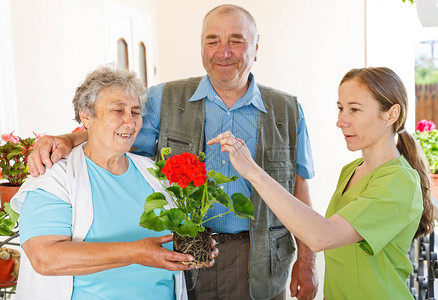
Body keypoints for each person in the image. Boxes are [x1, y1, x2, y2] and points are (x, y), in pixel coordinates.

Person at [28, 5, 318, 300]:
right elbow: (116, 130)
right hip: (184, 254)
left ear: (256, 47)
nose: (224, 52)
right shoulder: (162, 99)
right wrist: (66, 138)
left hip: (260, 261)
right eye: (213, 40)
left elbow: (298, 190)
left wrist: (307, 261)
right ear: (201, 46)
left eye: (236, 40)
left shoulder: (288, 110)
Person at [209, 67, 435, 299]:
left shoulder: (398, 181)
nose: (341, 121)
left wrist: (254, 173)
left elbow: (322, 236)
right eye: (340, 108)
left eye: (354, 109)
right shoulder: (352, 171)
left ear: (391, 114)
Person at [10, 66, 218, 300]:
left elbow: (166, 243)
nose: (130, 122)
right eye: (118, 110)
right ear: (86, 116)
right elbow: (45, 258)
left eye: (136, 112)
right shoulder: (55, 176)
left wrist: (195, 249)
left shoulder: (151, 173)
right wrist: (135, 252)